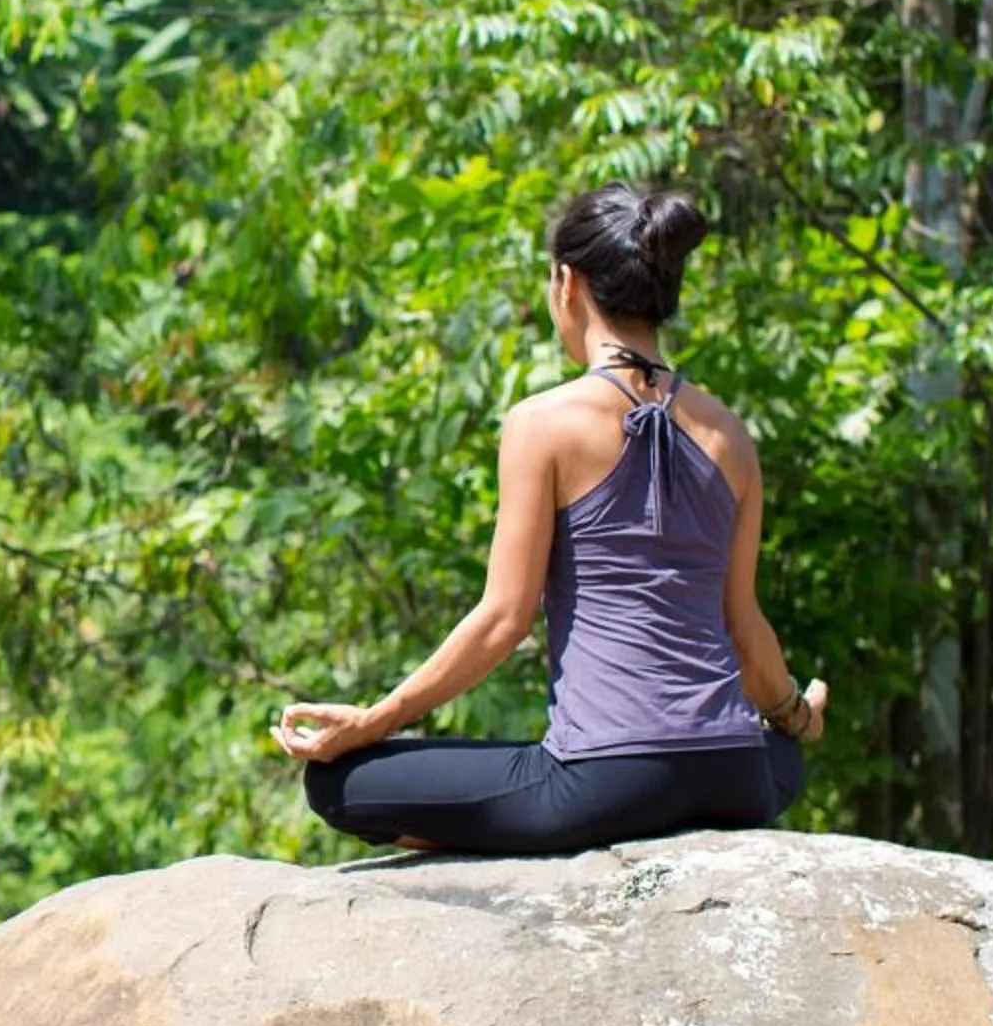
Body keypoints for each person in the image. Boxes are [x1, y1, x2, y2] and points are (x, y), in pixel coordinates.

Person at [270, 182, 826, 854]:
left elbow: (504, 621)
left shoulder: (543, 424)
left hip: (605, 786)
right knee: (781, 758)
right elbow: (744, 626)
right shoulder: (730, 436)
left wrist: (373, 720)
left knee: (339, 784)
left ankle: (507, 836)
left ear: (569, 283)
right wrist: (796, 718)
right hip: (737, 778)